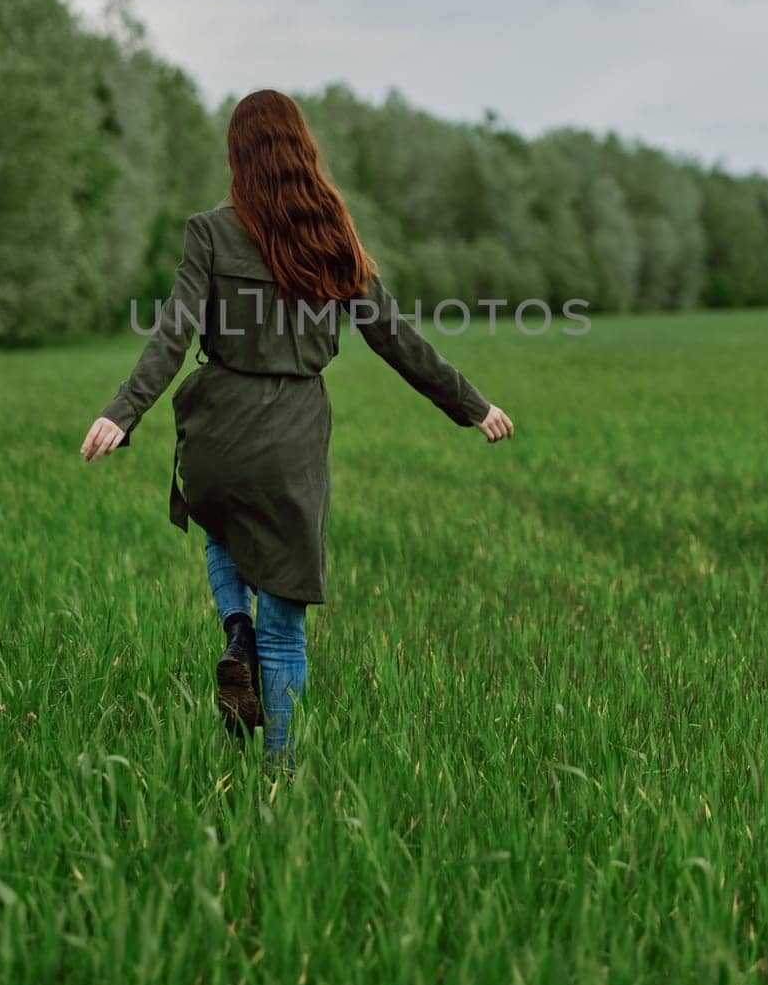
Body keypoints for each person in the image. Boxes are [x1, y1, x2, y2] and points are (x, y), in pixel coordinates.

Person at [80, 89, 514, 776]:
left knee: (218, 519)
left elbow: (172, 331)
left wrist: (121, 411)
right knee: (288, 627)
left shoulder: (208, 231)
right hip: (291, 435)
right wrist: (470, 405)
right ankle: (279, 779)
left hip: (216, 427)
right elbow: (394, 339)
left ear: (237, 156)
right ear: (303, 151)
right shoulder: (334, 237)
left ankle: (234, 633)